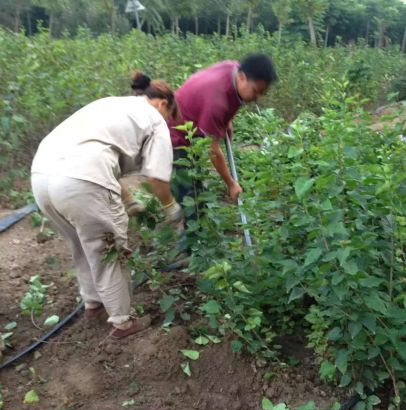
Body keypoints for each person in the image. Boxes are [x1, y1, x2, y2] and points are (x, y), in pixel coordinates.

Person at [30, 72, 183, 339]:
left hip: (41, 176)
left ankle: (93, 304)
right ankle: (123, 322)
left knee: (82, 242)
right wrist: (171, 208)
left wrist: (129, 201)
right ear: (163, 103)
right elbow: (157, 177)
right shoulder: (155, 119)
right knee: (111, 250)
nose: (168, 122)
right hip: (81, 179)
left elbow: (98, 151)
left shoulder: (111, 104)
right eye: (171, 116)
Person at [168, 53, 277, 203]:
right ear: (242, 77)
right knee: (188, 192)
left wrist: (227, 120)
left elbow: (232, 98)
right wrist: (231, 184)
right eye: (255, 91)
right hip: (175, 134)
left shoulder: (232, 68)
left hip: (193, 122)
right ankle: (183, 219)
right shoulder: (217, 104)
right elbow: (213, 151)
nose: (257, 97)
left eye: (262, 93)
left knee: (196, 180)